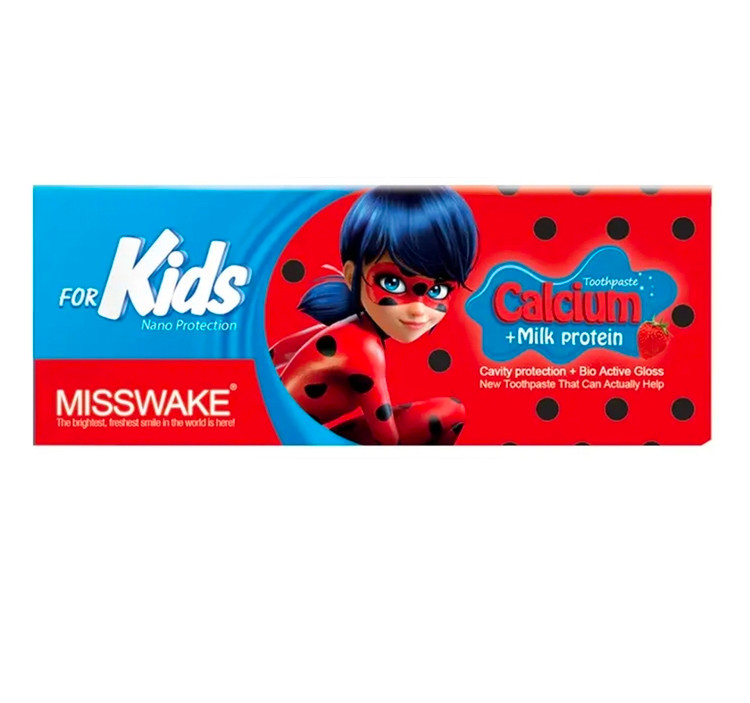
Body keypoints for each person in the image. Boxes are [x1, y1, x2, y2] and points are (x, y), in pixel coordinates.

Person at [270, 187, 478, 445]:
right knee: (450, 413)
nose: (417, 309)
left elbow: (273, 358)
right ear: (351, 276)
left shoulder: (340, 331)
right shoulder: (364, 347)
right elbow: (387, 439)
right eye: (392, 283)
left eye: (438, 290)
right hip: (285, 440)